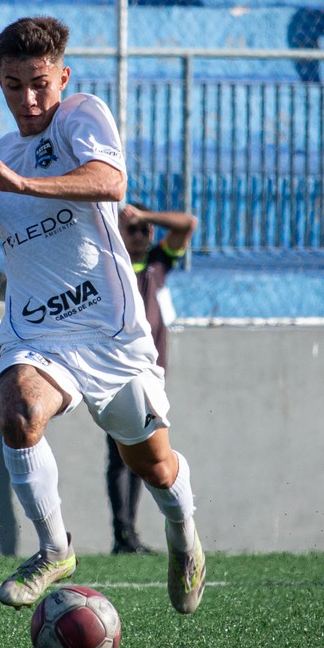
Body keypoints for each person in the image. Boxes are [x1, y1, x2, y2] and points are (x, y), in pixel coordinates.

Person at [0, 16, 207, 615]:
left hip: (110, 334)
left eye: (40, 82)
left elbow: (109, 182)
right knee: (17, 411)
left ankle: (183, 532)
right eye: (14, 85)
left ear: (62, 75)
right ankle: (54, 547)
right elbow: (6, 216)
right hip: (38, 332)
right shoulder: (8, 152)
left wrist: (20, 182)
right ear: (0, 82)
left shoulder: (81, 115)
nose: (29, 98)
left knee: (154, 466)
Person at [104, 203, 197, 555]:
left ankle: (129, 535)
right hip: (115, 373)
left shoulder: (157, 263)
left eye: (146, 229)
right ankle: (123, 535)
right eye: (134, 229)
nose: (141, 234)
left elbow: (188, 223)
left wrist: (145, 216)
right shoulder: (113, 264)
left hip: (152, 377)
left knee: (145, 454)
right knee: (120, 454)